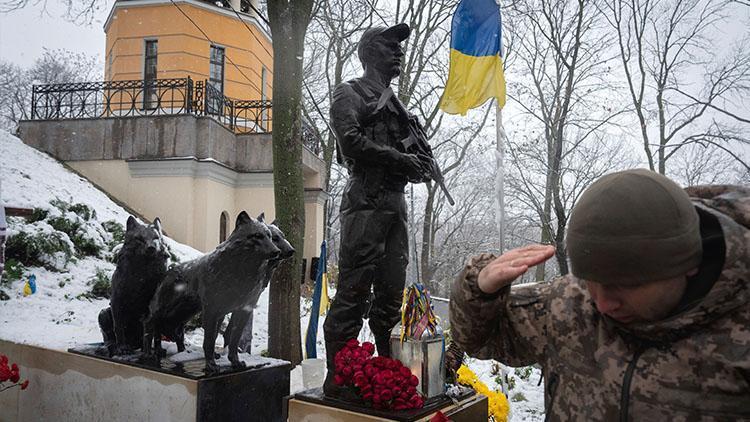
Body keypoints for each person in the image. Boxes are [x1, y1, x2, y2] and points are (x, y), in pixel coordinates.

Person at [450, 169, 750, 420]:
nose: (603, 303)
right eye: (591, 279)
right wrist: (480, 288)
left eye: (628, 284)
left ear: (689, 265)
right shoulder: (570, 302)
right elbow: (483, 340)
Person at [323, 23, 427, 398]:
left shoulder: (400, 108)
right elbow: (349, 143)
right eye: (389, 46)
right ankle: (339, 379)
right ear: (369, 53)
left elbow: (415, 164)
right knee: (353, 292)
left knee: (389, 295)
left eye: (399, 47)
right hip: (365, 202)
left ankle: (387, 373)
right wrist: (400, 159)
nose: (398, 52)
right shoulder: (350, 92)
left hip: (394, 205)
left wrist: (419, 163)